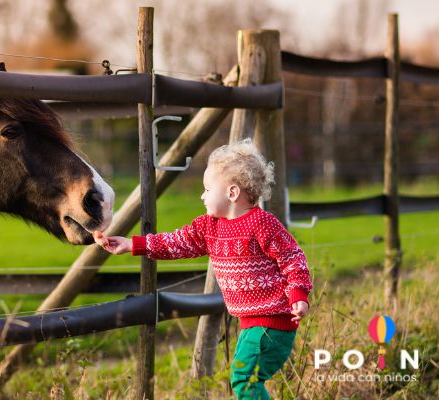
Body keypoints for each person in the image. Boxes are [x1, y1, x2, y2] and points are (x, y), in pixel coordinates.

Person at [94, 139, 313, 400]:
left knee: (244, 381)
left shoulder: (261, 224)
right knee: (242, 380)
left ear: (232, 193)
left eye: (208, 189)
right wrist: (133, 245)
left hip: (273, 323)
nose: (202, 195)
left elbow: (293, 258)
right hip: (249, 324)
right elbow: (175, 243)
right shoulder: (209, 228)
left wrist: (298, 295)